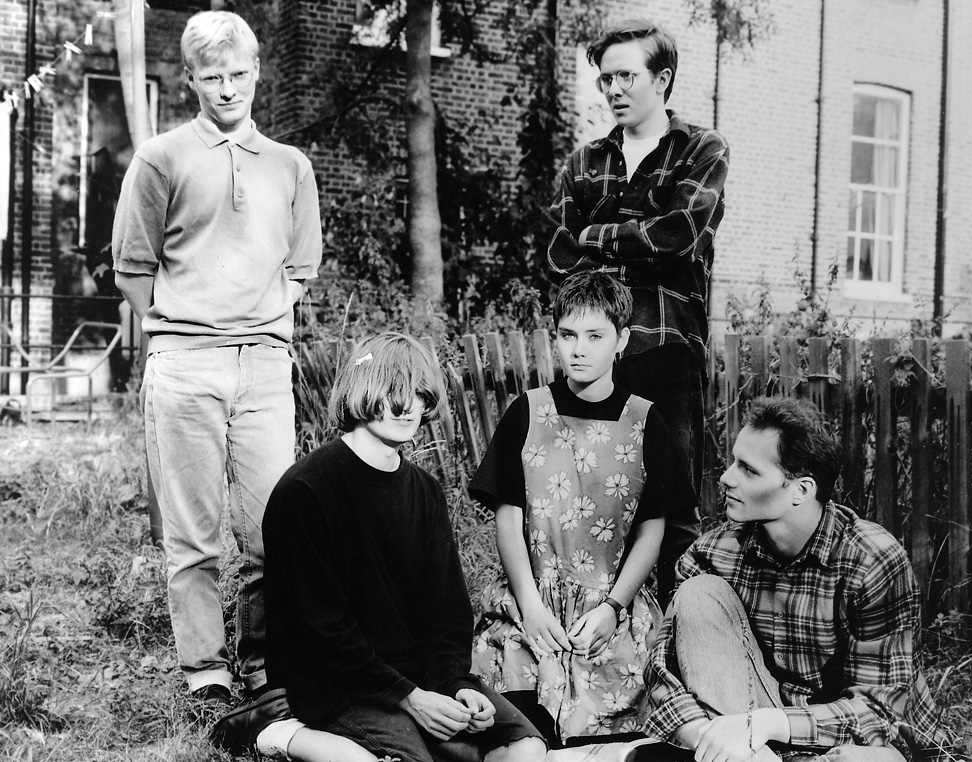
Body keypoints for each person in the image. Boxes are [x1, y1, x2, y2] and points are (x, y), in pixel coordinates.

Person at [111, 10, 322, 705]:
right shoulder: (161, 158)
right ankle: (205, 669)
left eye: (237, 73)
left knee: (273, 530)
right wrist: (186, 325)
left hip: (264, 366)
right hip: (185, 365)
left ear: (257, 71)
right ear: (190, 80)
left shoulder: (291, 166)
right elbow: (133, 269)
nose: (227, 88)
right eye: (211, 77)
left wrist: (255, 320)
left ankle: (263, 664)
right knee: (193, 534)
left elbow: (300, 265)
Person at [260, 333, 548, 762]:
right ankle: (285, 735)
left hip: (417, 679)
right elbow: (321, 630)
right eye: (393, 391)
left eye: (419, 393)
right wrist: (410, 699)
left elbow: (447, 612)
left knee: (525, 749)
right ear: (361, 390)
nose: (407, 406)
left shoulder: (426, 491)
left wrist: (457, 686)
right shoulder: (305, 490)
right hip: (336, 684)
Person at [641, 397, 949, 761]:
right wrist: (713, 737)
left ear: (801, 490)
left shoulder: (871, 560)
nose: (726, 478)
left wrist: (764, 724)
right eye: (734, 462)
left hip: (850, 741)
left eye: (748, 470)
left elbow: (878, 711)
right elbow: (663, 673)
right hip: (755, 742)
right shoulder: (712, 554)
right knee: (698, 593)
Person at [547, 20, 730, 606]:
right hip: (593, 356)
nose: (614, 89)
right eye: (606, 79)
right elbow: (558, 254)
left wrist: (595, 236)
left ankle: (676, 638)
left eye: (627, 75)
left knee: (672, 509)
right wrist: (632, 240)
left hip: (666, 349)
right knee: (587, 499)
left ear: (663, 78)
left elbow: (678, 235)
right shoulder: (584, 162)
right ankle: (592, 635)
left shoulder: (701, 150)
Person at [471, 271, 673, 745]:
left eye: (595, 336)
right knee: (518, 728)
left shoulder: (646, 421)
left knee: (616, 733)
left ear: (622, 340)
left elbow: (652, 530)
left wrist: (613, 607)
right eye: (568, 335)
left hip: (609, 611)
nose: (579, 350)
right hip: (531, 601)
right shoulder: (527, 411)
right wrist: (529, 605)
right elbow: (508, 517)